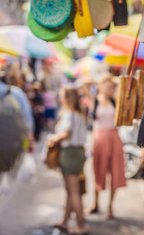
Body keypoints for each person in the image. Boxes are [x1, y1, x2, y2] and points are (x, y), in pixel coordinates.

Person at [86, 75, 126, 219]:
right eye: (107, 86)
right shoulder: (94, 100)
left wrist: (113, 82)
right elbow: (85, 82)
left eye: (112, 87)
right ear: (100, 86)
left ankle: (110, 207)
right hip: (99, 138)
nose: (110, 89)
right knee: (98, 170)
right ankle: (95, 204)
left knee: (115, 172)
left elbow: (122, 84)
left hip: (114, 137)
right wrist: (100, 82)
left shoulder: (115, 100)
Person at [50, 85, 88, 235]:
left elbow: (65, 133)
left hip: (70, 153)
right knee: (71, 191)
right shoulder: (79, 113)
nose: (60, 98)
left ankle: (81, 225)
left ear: (68, 98)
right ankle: (65, 222)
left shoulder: (70, 114)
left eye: (62, 95)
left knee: (73, 192)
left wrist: (53, 139)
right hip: (77, 152)